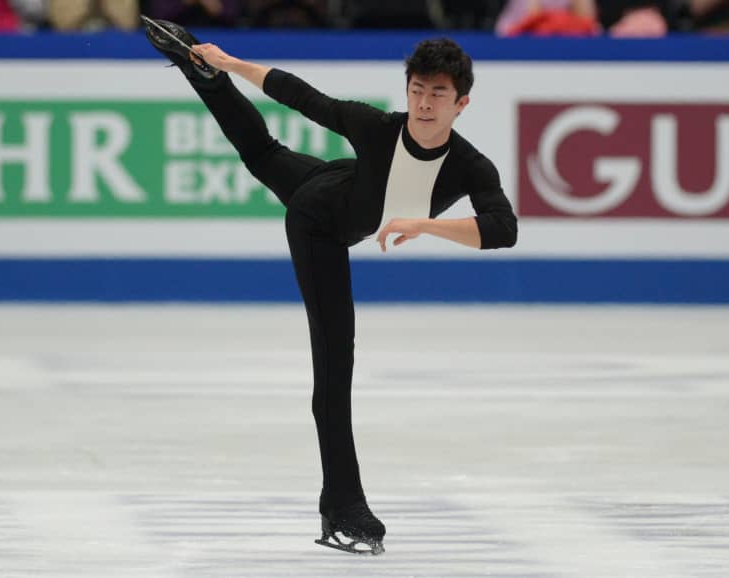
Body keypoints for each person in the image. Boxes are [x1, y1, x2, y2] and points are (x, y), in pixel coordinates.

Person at [143, 17, 518, 555]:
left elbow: (503, 230)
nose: (425, 103)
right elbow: (302, 96)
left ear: (462, 103)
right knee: (335, 361)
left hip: (336, 183)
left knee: (263, 154)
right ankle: (345, 510)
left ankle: (198, 75)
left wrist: (425, 224)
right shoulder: (376, 126)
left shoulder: (469, 167)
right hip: (318, 222)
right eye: (417, 90)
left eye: (439, 94)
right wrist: (230, 61)